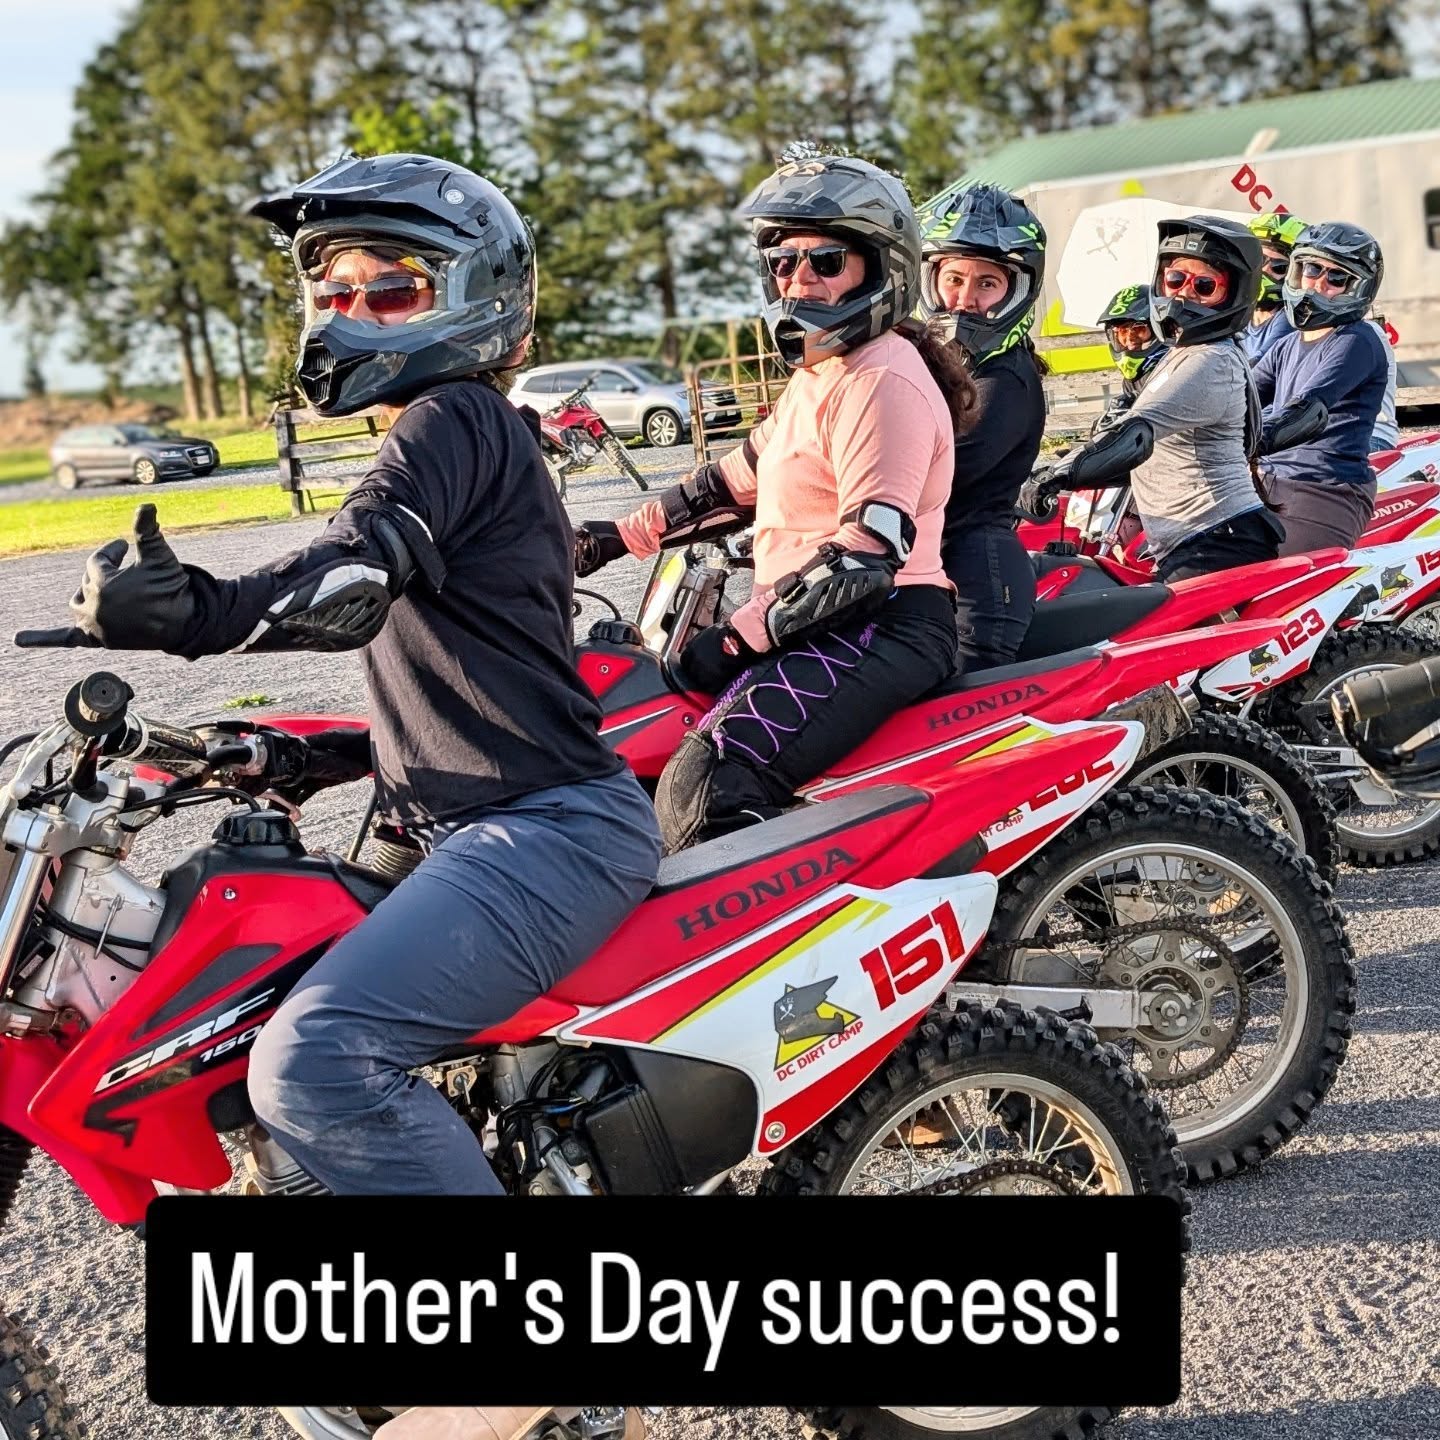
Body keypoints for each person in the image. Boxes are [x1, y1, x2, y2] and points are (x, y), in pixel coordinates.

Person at [14, 151, 664, 1206]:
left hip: (545, 833)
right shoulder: (466, 434)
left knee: (313, 1062)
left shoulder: (455, 418)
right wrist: (303, 752)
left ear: (471, 298)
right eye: (332, 292)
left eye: (390, 290)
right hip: (478, 823)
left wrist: (193, 612)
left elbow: (352, 576)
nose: (350, 315)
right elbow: (473, 675)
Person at [574, 147, 969, 854]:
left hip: (879, 624)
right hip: (819, 624)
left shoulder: (880, 382)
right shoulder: (824, 374)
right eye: (784, 262)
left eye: (825, 260)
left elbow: (864, 557)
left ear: (883, 267)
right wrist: (608, 539)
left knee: (706, 787)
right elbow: (731, 484)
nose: (799, 279)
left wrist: (734, 639)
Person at [1023, 214, 1284, 582]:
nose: (1183, 294)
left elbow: (1134, 436)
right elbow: (1139, 457)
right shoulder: (1185, 353)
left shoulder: (1211, 360)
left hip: (1216, 539)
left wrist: (1053, 477)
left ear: (1234, 294)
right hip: (1198, 538)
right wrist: (1056, 472)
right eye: (1175, 279)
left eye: (1204, 285)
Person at [914, 181, 1046, 669]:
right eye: (954, 279)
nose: (964, 299)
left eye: (986, 284)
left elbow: (936, 472)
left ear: (1017, 292)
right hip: (939, 571)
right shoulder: (947, 370)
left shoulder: (1005, 378)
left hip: (979, 585)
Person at [1252, 222, 1389, 554]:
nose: (1318, 283)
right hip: (1268, 479)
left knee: (1267, 582)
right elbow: (1244, 396)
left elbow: (1305, 411)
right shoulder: (1287, 345)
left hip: (1323, 489)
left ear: (1358, 288)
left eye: (1337, 277)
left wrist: (1248, 439)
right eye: (1311, 269)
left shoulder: (1356, 340)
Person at [1241, 212, 1307, 363]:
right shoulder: (1241, 312)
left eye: (1279, 266)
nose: (1264, 270)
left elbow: (1260, 363)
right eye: (1259, 259)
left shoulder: (1289, 318)